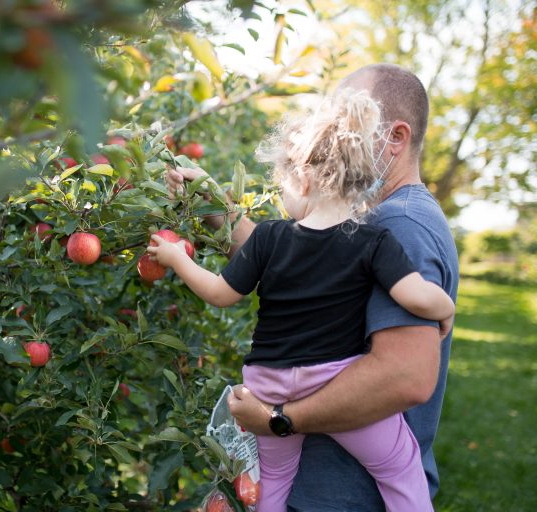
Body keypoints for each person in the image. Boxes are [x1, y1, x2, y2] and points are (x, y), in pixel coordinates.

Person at [165, 63, 459, 510]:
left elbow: (406, 376)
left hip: (348, 494)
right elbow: (293, 260)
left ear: (396, 138)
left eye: (352, 118)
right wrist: (215, 207)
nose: (337, 130)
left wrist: (279, 419)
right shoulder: (367, 225)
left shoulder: (398, 224)